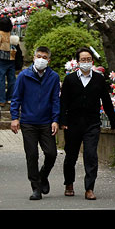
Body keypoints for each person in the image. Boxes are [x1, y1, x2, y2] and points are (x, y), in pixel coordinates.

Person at [59, 47, 115, 200]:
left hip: (92, 123)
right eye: (83, 60)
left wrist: (113, 121)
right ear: (77, 62)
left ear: (92, 61)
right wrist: (62, 121)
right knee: (71, 156)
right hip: (73, 123)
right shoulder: (70, 79)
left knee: (91, 155)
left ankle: (89, 188)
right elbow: (63, 101)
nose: (86, 62)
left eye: (88, 59)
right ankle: (69, 183)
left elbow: (106, 101)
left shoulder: (98, 79)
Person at [10, 46, 60, 201]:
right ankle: (36, 188)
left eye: (44, 57)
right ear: (33, 58)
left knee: (51, 153)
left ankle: (43, 175)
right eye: (39, 56)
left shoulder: (53, 77)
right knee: (31, 155)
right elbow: (16, 97)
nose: (41, 59)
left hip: (46, 122)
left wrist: (55, 120)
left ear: (49, 60)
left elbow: (55, 100)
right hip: (28, 122)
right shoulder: (24, 76)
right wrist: (14, 117)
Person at [0, 16, 21, 108]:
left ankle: (1, 100)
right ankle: (10, 98)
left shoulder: (0, 34)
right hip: (12, 59)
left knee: (1, 80)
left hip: (1, 59)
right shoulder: (12, 35)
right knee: (12, 80)